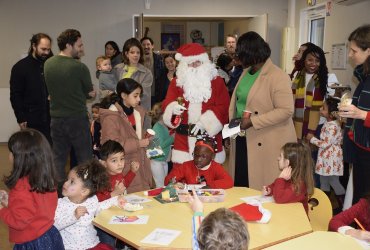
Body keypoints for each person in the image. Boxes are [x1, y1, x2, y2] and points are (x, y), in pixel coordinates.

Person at [228, 31, 296, 189]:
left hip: (266, 138)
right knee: (241, 181)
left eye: (240, 52)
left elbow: (286, 110)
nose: (237, 56)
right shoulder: (246, 72)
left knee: (260, 186)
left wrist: (252, 122)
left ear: (251, 53)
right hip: (242, 134)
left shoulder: (277, 76)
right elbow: (239, 101)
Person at [44, 29, 96, 194]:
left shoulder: (48, 64)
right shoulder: (79, 67)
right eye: (79, 45)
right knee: (85, 160)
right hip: (77, 120)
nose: (81, 48)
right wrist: (91, 92)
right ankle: (84, 193)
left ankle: (59, 195)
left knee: (58, 159)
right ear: (69, 45)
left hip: (56, 120)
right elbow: (90, 93)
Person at [162, 43, 230, 168]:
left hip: (209, 140)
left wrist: (205, 123)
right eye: (190, 63)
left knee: (209, 181)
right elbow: (167, 103)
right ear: (183, 65)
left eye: (197, 62)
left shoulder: (217, 82)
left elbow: (223, 107)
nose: (194, 66)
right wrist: (172, 109)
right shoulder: (176, 83)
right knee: (182, 180)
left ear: (205, 63)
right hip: (183, 142)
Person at [0, 129, 64, 249]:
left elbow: (18, 222)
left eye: (11, 152)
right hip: (49, 235)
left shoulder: (21, 187)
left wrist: (1, 209)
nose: (9, 155)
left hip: (31, 243)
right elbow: (35, 208)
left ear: (21, 158)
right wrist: (9, 201)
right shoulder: (45, 179)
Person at [54, 159, 126, 250]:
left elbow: (99, 207)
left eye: (72, 182)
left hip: (93, 245)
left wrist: (115, 200)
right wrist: (74, 216)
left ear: (84, 191)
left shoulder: (91, 200)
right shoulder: (60, 204)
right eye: (67, 179)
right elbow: (55, 226)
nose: (65, 183)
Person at [99, 78, 153, 193]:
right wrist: (139, 143)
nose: (139, 99)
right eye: (135, 96)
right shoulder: (111, 117)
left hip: (139, 164)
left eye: (140, 95)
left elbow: (131, 135)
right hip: (123, 168)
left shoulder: (137, 112)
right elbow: (110, 147)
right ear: (124, 95)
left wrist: (145, 137)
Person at [339, 24, 370, 204]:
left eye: (354, 51)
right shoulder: (364, 76)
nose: (350, 55)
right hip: (361, 146)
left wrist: (361, 115)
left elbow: (364, 113)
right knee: (359, 199)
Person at [9, 33, 53, 144]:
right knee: (33, 151)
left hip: (52, 117)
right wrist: (20, 117)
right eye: (43, 49)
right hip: (31, 118)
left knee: (51, 150)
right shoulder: (20, 67)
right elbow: (15, 94)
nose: (46, 53)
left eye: (48, 49)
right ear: (34, 46)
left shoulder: (52, 63)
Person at [307, 97, 345, 208]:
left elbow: (325, 144)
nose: (320, 109)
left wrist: (312, 139)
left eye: (323, 108)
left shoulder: (333, 126)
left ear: (331, 114)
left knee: (334, 181)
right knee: (324, 181)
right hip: (325, 159)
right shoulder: (328, 123)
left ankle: (344, 206)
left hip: (331, 160)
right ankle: (325, 205)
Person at [262, 142, 314, 214]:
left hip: (297, 221)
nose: (278, 158)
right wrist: (269, 190)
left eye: (280, 156)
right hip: (286, 214)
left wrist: (280, 179)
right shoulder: (288, 176)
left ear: (287, 162)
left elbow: (279, 198)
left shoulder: (300, 184)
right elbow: (275, 187)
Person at [164, 136, 233, 189]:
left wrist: (206, 185)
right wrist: (175, 183)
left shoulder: (216, 167)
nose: (199, 159)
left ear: (212, 156)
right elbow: (167, 180)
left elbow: (229, 182)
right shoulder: (186, 166)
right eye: (196, 155)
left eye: (203, 156)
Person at [292, 44, 329, 141]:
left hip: (317, 123)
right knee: (299, 152)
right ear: (304, 60)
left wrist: (327, 112)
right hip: (298, 120)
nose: (313, 64)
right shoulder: (297, 75)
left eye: (317, 61)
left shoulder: (323, 77)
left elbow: (324, 100)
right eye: (310, 60)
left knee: (313, 154)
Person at [113, 38, 153, 119]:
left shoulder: (146, 73)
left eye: (138, 52)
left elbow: (144, 96)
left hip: (138, 115)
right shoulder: (117, 69)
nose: (135, 55)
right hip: (119, 113)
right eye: (132, 52)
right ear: (126, 54)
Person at [148, 102, 174, 187]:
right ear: (163, 115)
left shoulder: (163, 126)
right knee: (160, 185)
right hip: (157, 161)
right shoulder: (157, 127)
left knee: (163, 184)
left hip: (162, 160)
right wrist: (173, 138)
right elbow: (160, 146)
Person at [140, 37, 165, 105]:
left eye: (148, 44)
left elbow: (162, 77)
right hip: (140, 96)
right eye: (143, 44)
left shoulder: (159, 59)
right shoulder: (137, 60)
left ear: (152, 46)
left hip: (155, 96)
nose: (146, 47)